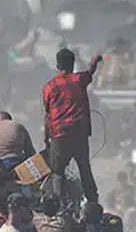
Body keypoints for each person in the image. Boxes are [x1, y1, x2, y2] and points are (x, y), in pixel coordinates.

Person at [42, 47, 102, 205]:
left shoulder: (49, 87)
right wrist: (95, 60)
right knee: (84, 167)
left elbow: (48, 116)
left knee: (58, 172)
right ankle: (93, 201)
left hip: (59, 135)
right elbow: (91, 72)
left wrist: (46, 139)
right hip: (79, 133)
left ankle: (60, 205)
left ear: (57, 65)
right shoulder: (79, 80)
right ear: (73, 64)